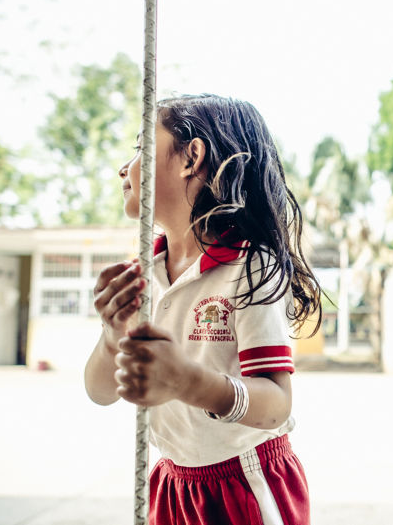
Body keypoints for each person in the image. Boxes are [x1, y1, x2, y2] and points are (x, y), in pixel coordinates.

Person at [84, 94, 321, 525]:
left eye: (141, 147)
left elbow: (275, 405)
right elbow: (100, 392)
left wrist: (187, 382)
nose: (124, 167)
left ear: (191, 156)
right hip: (173, 480)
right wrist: (111, 335)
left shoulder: (251, 266)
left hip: (246, 481)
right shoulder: (144, 274)